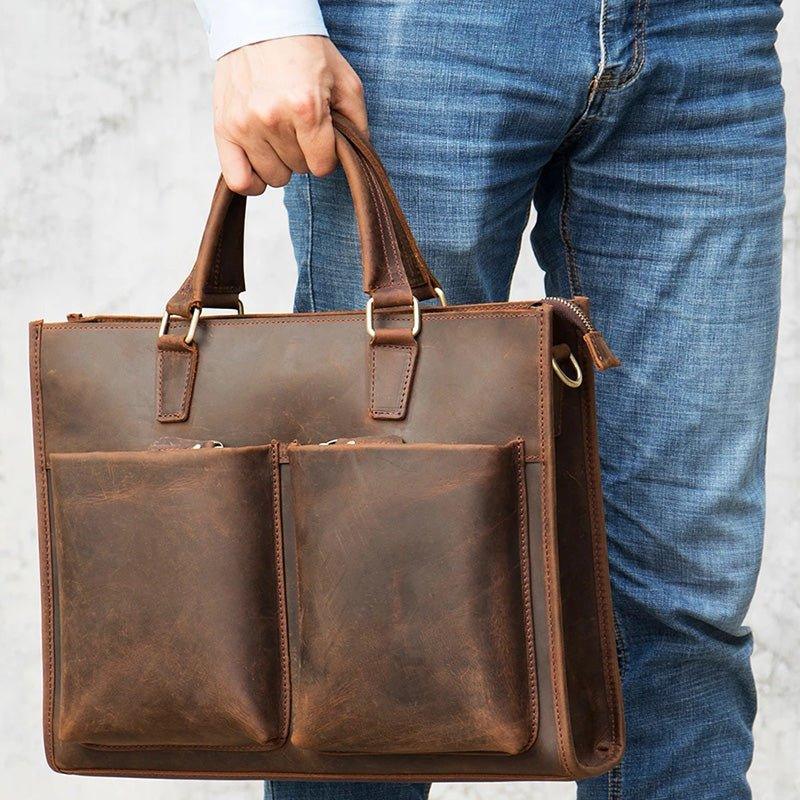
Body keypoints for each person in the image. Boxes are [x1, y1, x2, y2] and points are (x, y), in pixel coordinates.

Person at [192, 1, 785, 798]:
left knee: (684, 610)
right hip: (424, 32)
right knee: (366, 595)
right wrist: (257, 21)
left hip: (708, 32)